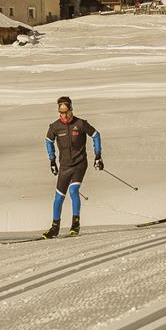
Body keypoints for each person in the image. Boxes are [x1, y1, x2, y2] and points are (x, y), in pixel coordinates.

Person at [43, 96, 103, 238]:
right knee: (59, 197)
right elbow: (48, 141)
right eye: (61, 112)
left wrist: (98, 155)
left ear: (71, 109)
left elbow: (96, 135)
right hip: (65, 166)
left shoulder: (80, 124)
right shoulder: (55, 127)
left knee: (73, 191)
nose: (64, 115)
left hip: (79, 164)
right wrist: (52, 160)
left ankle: (75, 224)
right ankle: (55, 227)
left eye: (66, 112)